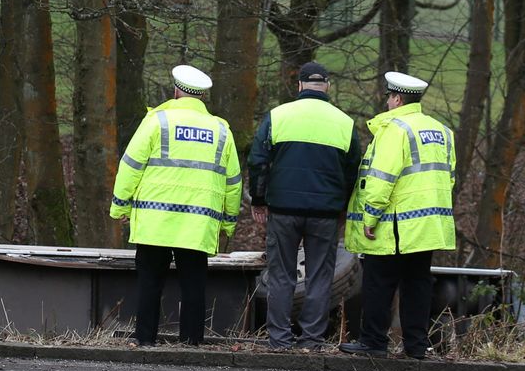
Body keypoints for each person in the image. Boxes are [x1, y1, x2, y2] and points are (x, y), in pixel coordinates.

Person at [110, 64, 241, 346]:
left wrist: (120, 207)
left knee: (149, 284)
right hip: (198, 224)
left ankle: (145, 340)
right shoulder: (221, 130)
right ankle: (191, 343)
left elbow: (130, 166)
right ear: (203, 97)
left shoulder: (157, 121)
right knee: (194, 286)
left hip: (155, 221)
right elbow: (233, 182)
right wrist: (227, 223)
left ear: (176, 91)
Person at [339, 72, 456, 360]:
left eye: (390, 97)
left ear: (397, 98)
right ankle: (416, 346)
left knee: (379, 281)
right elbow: (449, 177)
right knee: (417, 283)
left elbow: (382, 178)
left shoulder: (394, 130)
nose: (388, 102)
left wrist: (370, 216)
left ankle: (373, 342)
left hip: (396, 224)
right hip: (428, 224)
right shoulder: (442, 130)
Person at [247, 61, 363, 350]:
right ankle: (311, 340)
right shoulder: (344, 123)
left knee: (281, 274)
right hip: (325, 213)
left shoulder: (278, 116)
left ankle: (279, 339)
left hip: (284, 210)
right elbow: (353, 172)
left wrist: (259, 200)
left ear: (299, 85)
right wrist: (342, 208)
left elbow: (258, 162)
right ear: (327, 87)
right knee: (320, 276)